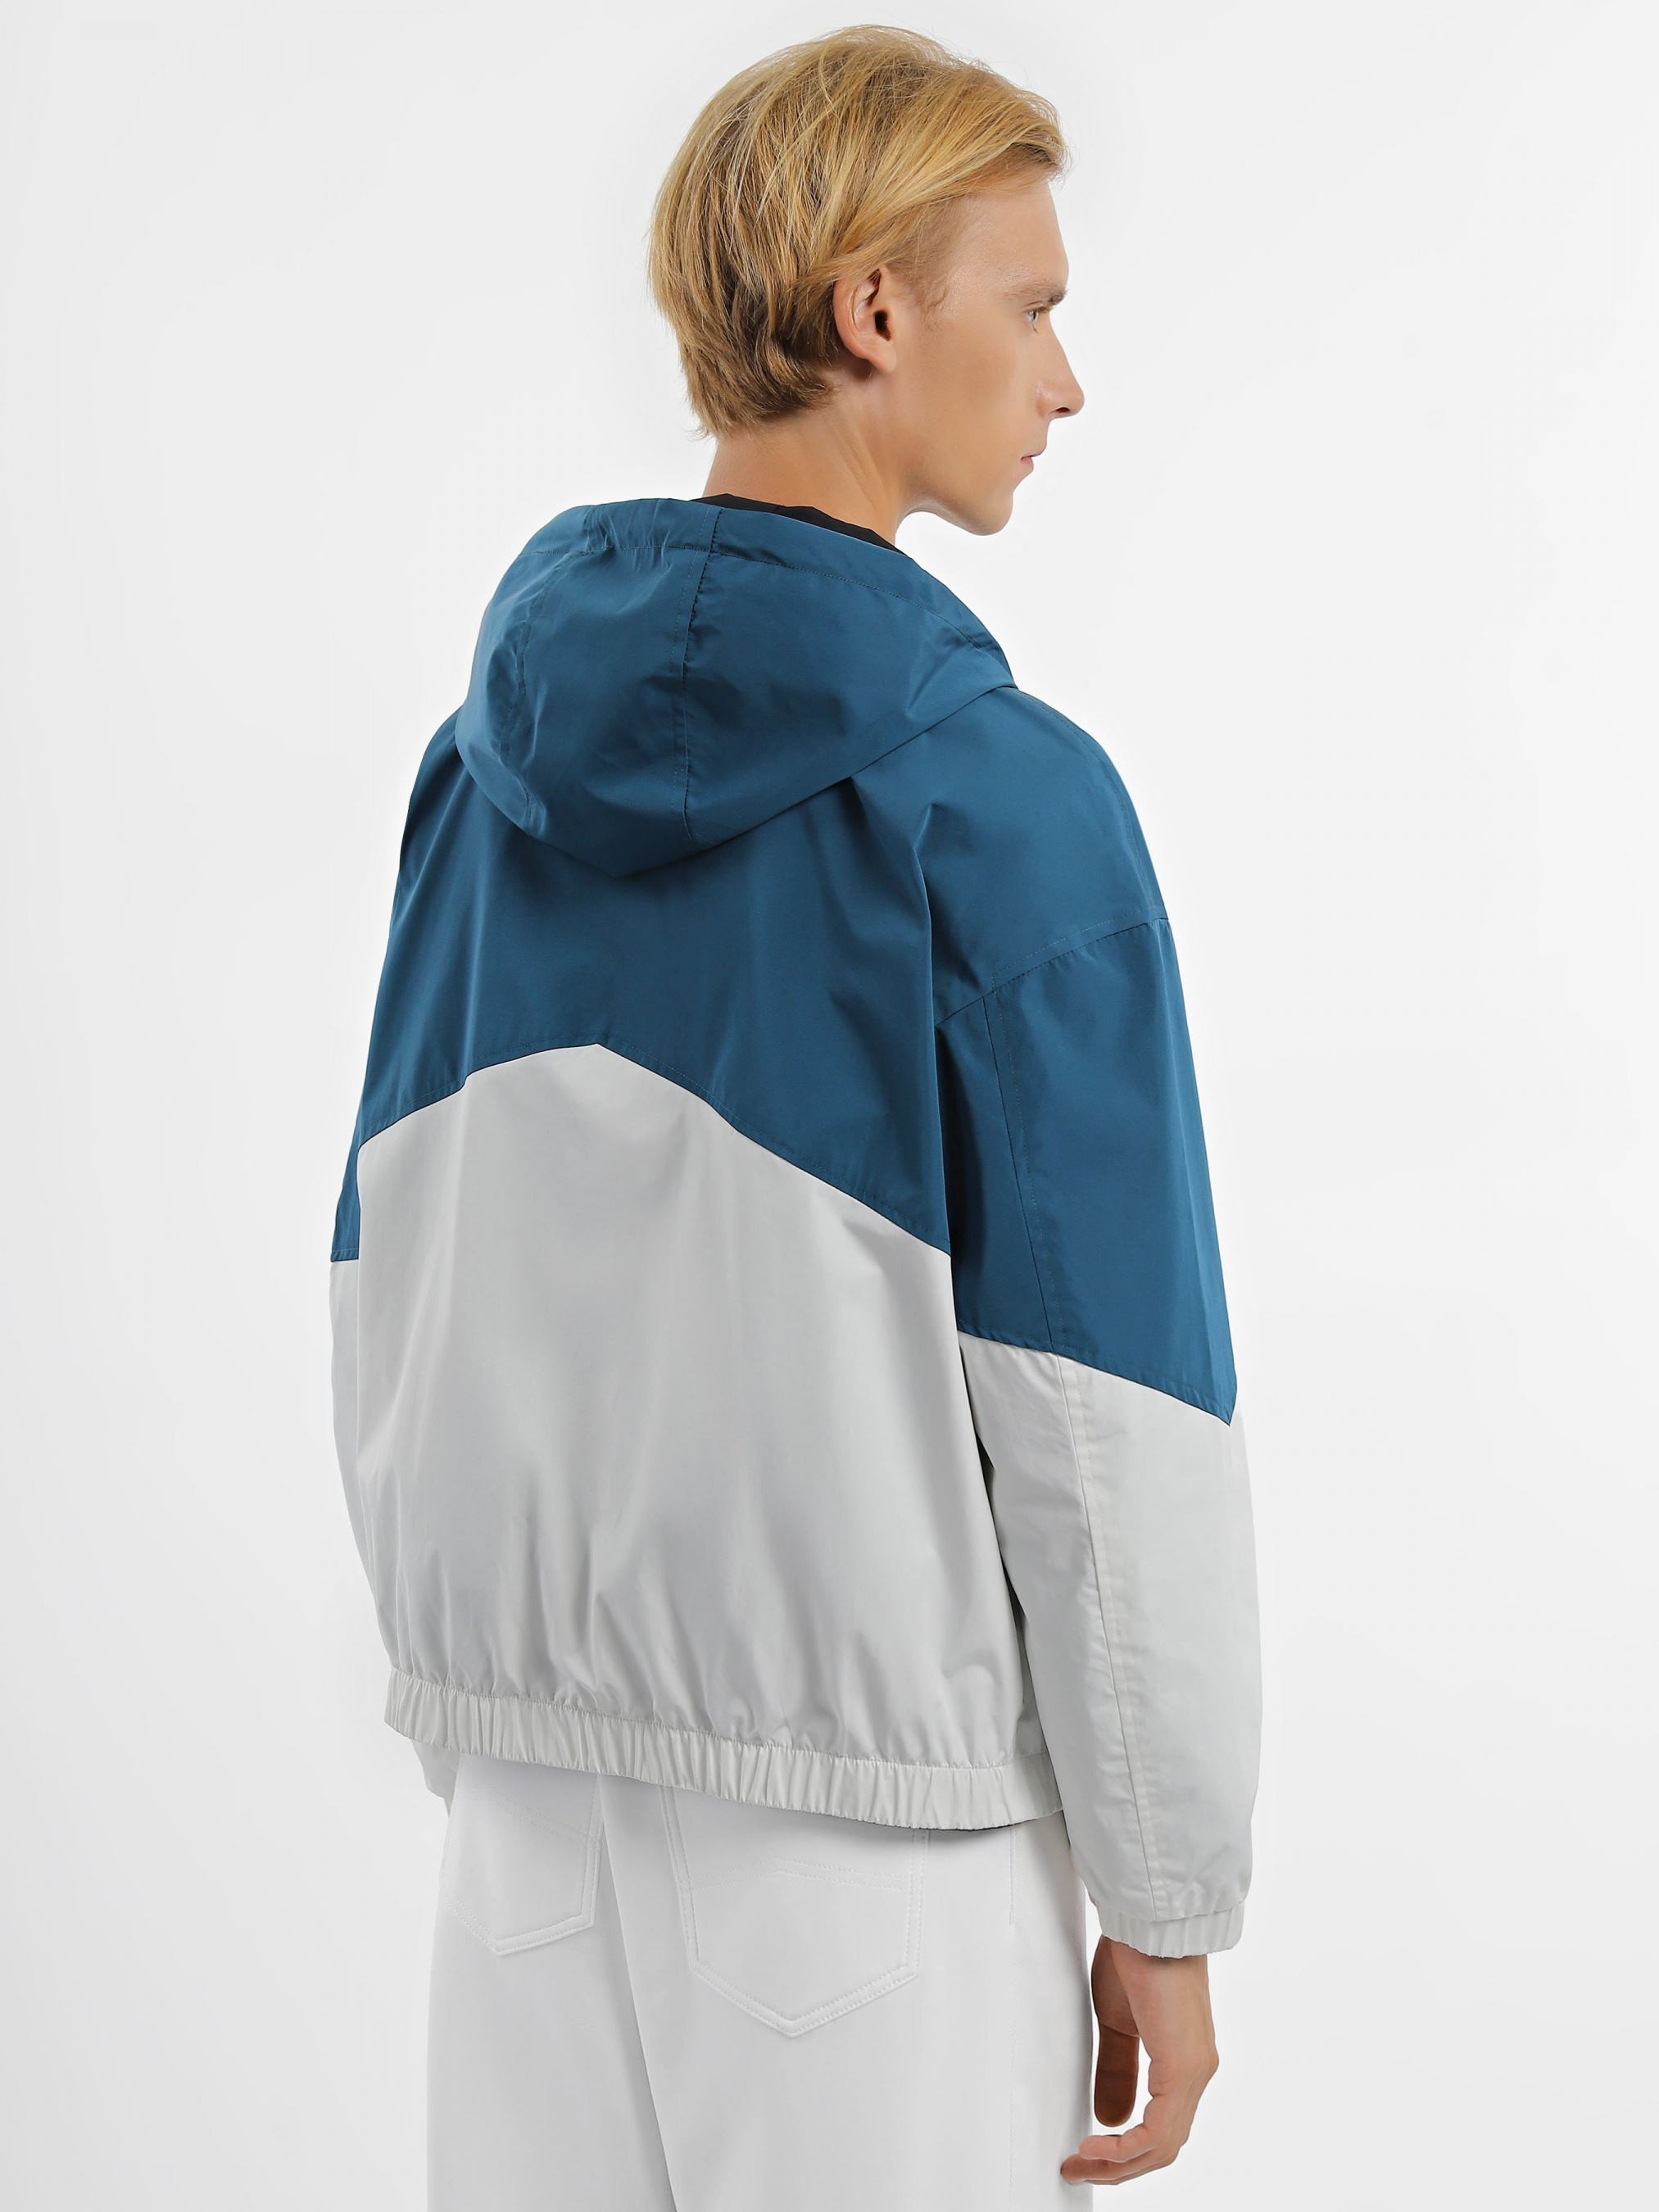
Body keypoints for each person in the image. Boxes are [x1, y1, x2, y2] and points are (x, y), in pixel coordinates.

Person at [329, 25, 1260, 2208]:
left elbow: (388, 1270)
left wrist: (499, 1694)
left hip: (524, 1851)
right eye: (1031, 303)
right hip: (877, 1868)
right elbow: (1107, 1400)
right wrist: (1168, 1888)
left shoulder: (477, 775)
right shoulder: (1002, 798)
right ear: (874, 308)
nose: (1065, 378)